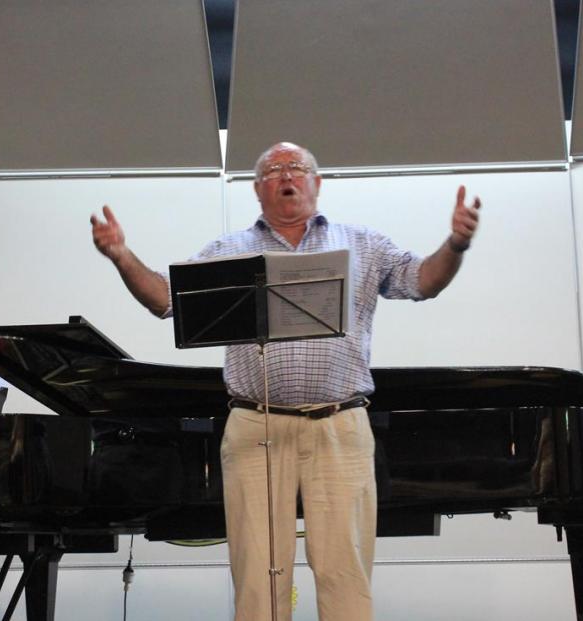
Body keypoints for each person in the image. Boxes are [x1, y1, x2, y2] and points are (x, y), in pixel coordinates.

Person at [90, 142, 481, 621]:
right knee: (258, 577)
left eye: (297, 167)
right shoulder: (228, 250)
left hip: (340, 424)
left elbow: (422, 281)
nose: (286, 175)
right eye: (273, 170)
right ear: (258, 190)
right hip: (256, 427)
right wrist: (121, 255)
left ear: (317, 183)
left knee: (345, 575)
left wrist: (456, 245)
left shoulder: (361, 242)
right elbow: (166, 301)